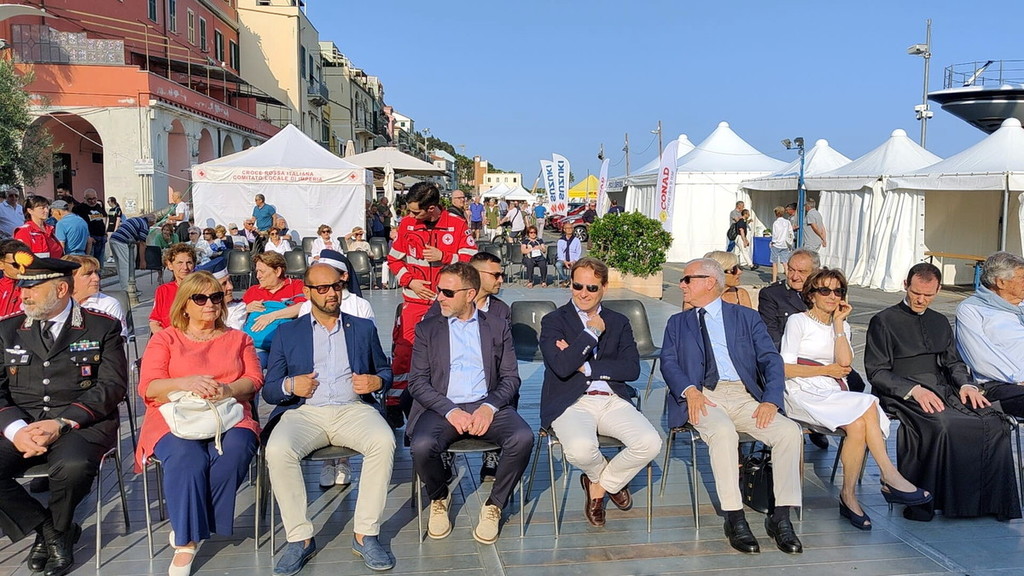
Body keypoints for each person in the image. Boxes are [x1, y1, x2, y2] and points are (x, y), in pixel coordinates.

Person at [660, 257, 803, 555]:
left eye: (687, 279)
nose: (681, 285)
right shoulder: (678, 323)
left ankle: (781, 517)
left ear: (709, 282)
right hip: (703, 396)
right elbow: (669, 363)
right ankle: (735, 517)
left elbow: (770, 359)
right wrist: (690, 391)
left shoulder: (745, 317)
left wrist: (771, 399)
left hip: (743, 395)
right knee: (724, 433)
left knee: (789, 432)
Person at [263, 263, 396, 574]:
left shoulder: (362, 328)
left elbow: (385, 370)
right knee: (278, 450)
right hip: (305, 412)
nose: (331, 293)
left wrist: (376, 382)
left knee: (383, 441)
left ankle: (365, 535)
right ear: (307, 292)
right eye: (322, 288)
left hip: (353, 409)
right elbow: (270, 389)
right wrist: (290, 385)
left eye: (336, 286)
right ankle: (300, 539)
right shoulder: (287, 332)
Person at [0, 254, 126, 576]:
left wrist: (61, 422)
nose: (23, 295)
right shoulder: (7, 330)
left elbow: (112, 385)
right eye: (22, 287)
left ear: (61, 289)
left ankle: (56, 530)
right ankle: (51, 530)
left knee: (72, 467)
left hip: (79, 423)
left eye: (32, 288)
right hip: (23, 423)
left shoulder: (101, 326)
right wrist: (16, 430)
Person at [864, 262, 1021, 520]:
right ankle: (927, 499)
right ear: (905, 285)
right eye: (916, 293)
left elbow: (953, 363)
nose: (921, 300)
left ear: (937, 291)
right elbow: (877, 371)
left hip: (942, 388)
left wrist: (967, 385)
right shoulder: (883, 321)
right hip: (901, 391)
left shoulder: (939, 321)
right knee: (944, 424)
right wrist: (913, 390)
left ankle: (988, 504)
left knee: (995, 422)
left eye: (928, 295)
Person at [780, 268, 930, 530]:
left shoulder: (843, 325)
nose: (832, 296)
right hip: (800, 390)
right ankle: (889, 474)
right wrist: (826, 370)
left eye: (838, 291)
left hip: (831, 391)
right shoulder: (798, 321)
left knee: (858, 425)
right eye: (825, 290)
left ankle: (848, 496)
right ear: (811, 295)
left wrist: (839, 325)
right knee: (869, 402)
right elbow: (786, 368)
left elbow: (845, 363)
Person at [136, 271, 261, 576]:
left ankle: (187, 522)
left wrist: (227, 389)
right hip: (174, 415)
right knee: (187, 458)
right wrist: (185, 382)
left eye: (216, 297)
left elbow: (254, 380)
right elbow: (148, 387)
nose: (210, 304)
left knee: (236, 450)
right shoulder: (166, 338)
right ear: (184, 305)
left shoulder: (239, 338)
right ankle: (187, 541)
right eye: (200, 298)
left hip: (228, 413)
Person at [408, 263, 532, 543]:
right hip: (442, 407)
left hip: (487, 404)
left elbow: (511, 378)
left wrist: (489, 407)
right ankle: (439, 497)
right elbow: (417, 382)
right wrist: (450, 411)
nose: (439, 297)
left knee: (523, 437)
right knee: (422, 445)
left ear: (470, 294)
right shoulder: (428, 329)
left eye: (448, 292)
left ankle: (495, 505)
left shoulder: (497, 326)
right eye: (439, 290)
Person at [539, 257, 661, 528]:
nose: (583, 293)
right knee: (580, 450)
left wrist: (585, 366)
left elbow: (631, 369)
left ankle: (600, 485)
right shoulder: (553, 320)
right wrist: (592, 333)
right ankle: (606, 479)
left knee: (650, 443)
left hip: (612, 400)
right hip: (571, 402)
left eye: (591, 288)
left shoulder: (619, 321)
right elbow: (561, 367)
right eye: (577, 286)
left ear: (604, 287)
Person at [386, 181, 475, 427]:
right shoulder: (407, 225)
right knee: (404, 353)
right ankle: (394, 403)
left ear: (432, 208)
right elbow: (393, 260)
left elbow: (470, 258)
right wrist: (410, 281)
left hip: (448, 303)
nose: (410, 215)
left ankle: (443, 402)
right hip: (414, 301)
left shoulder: (457, 225)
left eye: (416, 211)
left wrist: (444, 256)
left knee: (447, 353)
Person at [955, 251, 1024, 416]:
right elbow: (981, 358)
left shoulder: (1021, 306)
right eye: (1022, 278)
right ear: (1001, 282)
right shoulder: (972, 309)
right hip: (1000, 384)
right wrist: (1019, 377)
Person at [243, 251, 307, 363]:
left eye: (262, 272)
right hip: (258, 346)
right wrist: (246, 309)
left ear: (277, 271)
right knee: (253, 362)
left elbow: (302, 307)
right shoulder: (252, 291)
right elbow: (235, 315)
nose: (258, 276)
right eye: (257, 271)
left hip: (287, 346)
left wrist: (271, 316)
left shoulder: (296, 286)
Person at [61, 254, 127, 337]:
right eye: (88, 274)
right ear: (69, 279)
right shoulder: (55, 304)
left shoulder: (108, 304)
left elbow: (119, 339)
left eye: (96, 272)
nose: (96, 278)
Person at [149, 243, 197, 334]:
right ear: (170, 265)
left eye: (189, 263)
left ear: (194, 265)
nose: (185, 267)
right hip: (168, 337)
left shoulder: (201, 289)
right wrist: (166, 339)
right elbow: (154, 322)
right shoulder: (163, 291)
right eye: (180, 263)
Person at [109, 213, 155, 295]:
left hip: (114, 239)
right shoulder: (145, 226)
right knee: (126, 266)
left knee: (121, 266)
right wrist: (142, 261)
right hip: (121, 242)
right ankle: (128, 291)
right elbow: (142, 244)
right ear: (151, 222)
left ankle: (130, 288)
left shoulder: (136, 219)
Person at [72, 190, 108, 262]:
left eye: (94, 198)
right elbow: (79, 224)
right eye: (90, 199)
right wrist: (88, 237)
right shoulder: (79, 208)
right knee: (90, 262)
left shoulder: (98, 206)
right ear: (85, 198)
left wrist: (105, 233)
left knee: (100, 262)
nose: (92, 201)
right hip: (90, 238)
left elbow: (102, 219)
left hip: (101, 238)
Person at [0, 239, 31, 316]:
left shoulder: (35, 289)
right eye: (16, 265)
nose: (22, 268)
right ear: (1, 264)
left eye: (25, 263)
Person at [770, 206, 793, 283]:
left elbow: (775, 234)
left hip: (776, 244)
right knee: (785, 263)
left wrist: (773, 242)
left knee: (774, 263)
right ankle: (789, 279)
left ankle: (774, 280)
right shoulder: (787, 222)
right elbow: (790, 232)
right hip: (785, 244)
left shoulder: (776, 223)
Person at [555, 221, 582, 287]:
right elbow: (560, 253)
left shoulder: (576, 240)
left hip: (573, 260)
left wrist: (574, 261)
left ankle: (575, 281)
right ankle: (566, 279)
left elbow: (578, 252)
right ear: (564, 230)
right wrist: (565, 261)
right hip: (563, 260)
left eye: (571, 228)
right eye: (567, 228)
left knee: (579, 266)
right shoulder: (560, 240)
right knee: (558, 264)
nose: (569, 229)